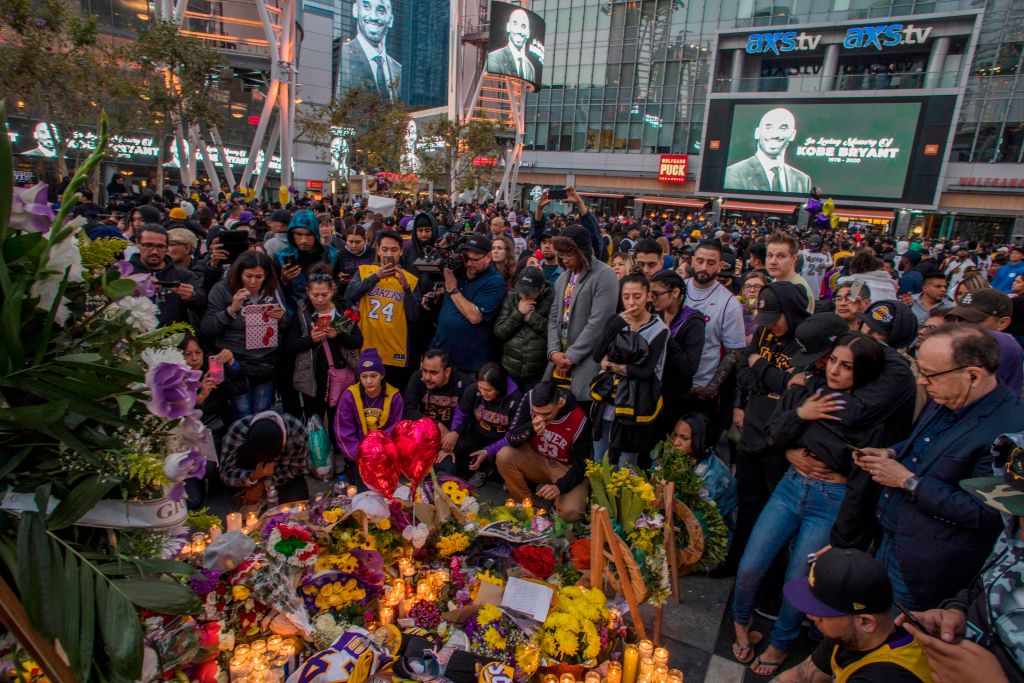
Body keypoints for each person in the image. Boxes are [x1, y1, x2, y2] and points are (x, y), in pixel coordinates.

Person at [733, 329, 887, 675]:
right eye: (833, 361)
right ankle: (741, 623)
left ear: (862, 372)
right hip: (791, 488)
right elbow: (773, 433)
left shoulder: (869, 415)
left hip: (830, 499)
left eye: (846, 367)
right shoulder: (813, 390)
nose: (834, 371)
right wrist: (802, 415)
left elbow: (861, 478)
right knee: (751, 565)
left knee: (798, 580)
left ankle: (780, 643)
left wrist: (843, 537)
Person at [856, 324, 1022, 610]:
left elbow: (989, 516)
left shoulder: (1009, 431)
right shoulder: (947, 395)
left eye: (929, 374)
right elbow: (924, 443)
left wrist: (908, 481)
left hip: (926, 563)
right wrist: (891, 452)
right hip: (891, 536)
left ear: (973, 375)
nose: (921, 381)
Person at [903, 432, 1024, 683]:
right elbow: (984, 585)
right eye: (1017, 511)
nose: (1020, 530)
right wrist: (958, 613)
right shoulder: (1015, 532)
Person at [731, 282, 812, 576]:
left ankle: (770, 578)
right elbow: (743, 371)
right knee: (747, 503)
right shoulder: (764, 331)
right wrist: (773, 377)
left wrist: (760, 367)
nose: (770, 326)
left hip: (781, 441)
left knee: (777, 515)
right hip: (752, 432)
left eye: (776, 318)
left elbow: (796, 389)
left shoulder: (806, 341)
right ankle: (736, 560)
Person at [778, 548, 935, 683]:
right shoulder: (850, 635)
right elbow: (803, 674)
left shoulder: (886, 676)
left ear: (865, 622)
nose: (811, 616)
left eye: (823, 613)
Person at [590, 274, 669, 465]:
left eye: (637, 296)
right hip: (608, 399)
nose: (631, 302)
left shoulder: (659, 330)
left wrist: (611, 366)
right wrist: (614, 327)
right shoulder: (617, 320)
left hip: (635, 403)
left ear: (648, 296)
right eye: (626, 297)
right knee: (600, 457)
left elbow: (645, 372)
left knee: (626, 462)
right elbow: (596, 355)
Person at [200, 252, 288, 419]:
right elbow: (207, 327)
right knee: (241, 409)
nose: (253, 281)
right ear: (239, 273)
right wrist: (231, 310)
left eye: (259, 277)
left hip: (265, 361)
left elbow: (286, 324)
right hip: (235, 360)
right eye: (248, 276)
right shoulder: (222, 289)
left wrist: (281, 318)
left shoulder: (273, 290)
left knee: (263, 409)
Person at [495, 381, 591, 521]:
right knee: (504, 455)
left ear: (560, 403)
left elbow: (583, 464)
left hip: (565, 467)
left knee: (572, 511)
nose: (541, 417)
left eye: (546, 413)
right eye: (536, 413)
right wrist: (530, 429)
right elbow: (511, 437)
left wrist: (560, 487)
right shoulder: (529, 398)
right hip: (536, 457)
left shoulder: (579, 418)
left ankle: (556, 507)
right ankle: (524, 504)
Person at [546, 225, 619, 405]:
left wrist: (570, 357)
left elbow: (598, 323)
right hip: (559, 361)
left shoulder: (605, 275)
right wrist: (554, 351)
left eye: (569, 254)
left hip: (586, 364)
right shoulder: (563, 278)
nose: (565, 259)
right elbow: (554, 316)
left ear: (583, 251)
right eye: (561, 254)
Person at [287, 271, 364, 435]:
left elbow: (358, 341)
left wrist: (338, 336)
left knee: (340, 421)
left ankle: (340, 451)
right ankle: (319, 456)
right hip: (312, 379)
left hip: (340, 377)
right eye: (315, 295)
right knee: (314, 423)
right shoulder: (303, 313)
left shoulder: (345, 312)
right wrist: (310, 339)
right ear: (308, 292)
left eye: (324, 294)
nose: (320, 299)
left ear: (332, 290)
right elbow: (290, 345)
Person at [345, 229, 422, 391]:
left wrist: (406, 289)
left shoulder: (410, 279)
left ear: (401, 251)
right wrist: (376, 277)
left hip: (395, 351)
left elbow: (414, 316)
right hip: (366, 348)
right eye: (385, 249)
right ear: (378, 250)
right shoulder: (364, 271)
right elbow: (348, 296)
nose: (389, 254)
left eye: (394, 250)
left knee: (391, 400)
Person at [684, 240, 747, 437]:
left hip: (699, 389)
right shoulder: (678, 289)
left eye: (711, 263)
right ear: (692, 261)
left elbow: (734, 352)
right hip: (668, 384)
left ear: (720, 266)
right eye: (700, 261)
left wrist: (710, 389)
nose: (704, 267)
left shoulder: (728, 303)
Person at [428, 232, 507, 373]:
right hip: (440, 354)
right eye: (466, 258)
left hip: (468, 363)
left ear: (489, 257)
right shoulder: (458, 271)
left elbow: (475, 317)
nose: (469, 263)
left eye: (474, 260)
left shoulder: (495, 281)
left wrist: (452, 289)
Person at [441, 362, 523, 484]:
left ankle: (494, 471)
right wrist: (454, 432)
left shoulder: (516, 399)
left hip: (503, 440)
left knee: (501, 466)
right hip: (479, 432)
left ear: (500, 387)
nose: (483, 393)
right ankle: (478, 470)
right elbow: (461, 414)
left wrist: (489, 451)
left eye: (488, 390)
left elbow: (513, 435)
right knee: (460, 444)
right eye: (481, 388)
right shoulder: (474, 390)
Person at [658, 413, 737, 531]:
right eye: (674, 436)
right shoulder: (670, 457)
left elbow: (701, 521)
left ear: (699, 440)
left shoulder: (713, 475)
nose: (676, 443)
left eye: (684, 438)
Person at [651, 270, 706, 436]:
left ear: (675, 293)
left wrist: (664, 335)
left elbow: (689, 366)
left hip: (674, 399)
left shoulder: (693, 322)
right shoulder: (654, 314)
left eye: (656, 294)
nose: (652, 299)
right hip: (651, 394)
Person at [220, 411, 310, 505]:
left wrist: (262, 484)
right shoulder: (238, 430)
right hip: (248, 472)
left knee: (297, 507)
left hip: (281, 475)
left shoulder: (297, 432)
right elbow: (225, 473)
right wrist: (253, 476)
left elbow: (297, 468)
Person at [125, 224, 207, 327]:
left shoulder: (183, 274)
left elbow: (202, 303)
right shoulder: (123, 271)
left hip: (173, 337)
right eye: (148, 245)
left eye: (160, 246)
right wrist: (128, 287)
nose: (155, 251)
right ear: (137, 244)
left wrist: (192, 296)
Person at [946, 288, 1023, 395]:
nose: (962, 326)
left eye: (974, 320)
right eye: (959, 319)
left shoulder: (1004, 347)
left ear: (1002, 323)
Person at [334, 348, 404, 462]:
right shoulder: (349, 396)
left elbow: (396, 428)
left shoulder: (394, 397)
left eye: (373, 376)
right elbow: (344, 431)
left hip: (385, 453)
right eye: (364, 376)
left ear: (381, 375)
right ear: (359, 377)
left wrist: (380, 452)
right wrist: (360, 456)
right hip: (358, 455)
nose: (369, 381)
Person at [493, 266, 554, 391]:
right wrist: (518, 314)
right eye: (522, 290)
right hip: (509, 369)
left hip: (537, 373)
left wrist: (532, 317)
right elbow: (499, 332)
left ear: (541, 288)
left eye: (529, 291)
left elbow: (555, 334)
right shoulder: (511, 297)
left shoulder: (552, 299)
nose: (524, 295)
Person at [723, 108, 812, 193]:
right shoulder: (734, 174)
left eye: (783, 128)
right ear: (757, 133)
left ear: (792, 134)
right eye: (768, 127)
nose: (774, 134)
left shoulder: (803, 180)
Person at [339, 0, 402, 99]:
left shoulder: (398, 70)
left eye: (381, 11)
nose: (373, 17)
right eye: (367, 7)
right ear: (355, 10)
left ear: (390, 20)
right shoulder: (342, 56)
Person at [276, 209, 340, 306]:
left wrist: (335, 286)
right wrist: (283, 281)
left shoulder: (331, 254)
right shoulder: (282, 257)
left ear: (315, 234)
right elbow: (273, 293)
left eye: (309, 234)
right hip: (294, 313)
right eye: (298, 234)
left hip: (324, 310)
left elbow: (338, 281)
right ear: (291, 234)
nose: (303, 240)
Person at [404, 349, 472, 434]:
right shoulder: (417, 378)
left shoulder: (464, 383)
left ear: (447, 372)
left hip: (453, 434)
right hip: (424, 431)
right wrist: (436, 424)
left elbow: (469, 417)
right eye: (424, 371)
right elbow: (408, 410)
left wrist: (456, 433)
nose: (427, 377)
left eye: (433, 372)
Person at [767, 231, 815, 312]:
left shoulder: (798, 290)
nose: (773, 261)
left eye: (781, 256)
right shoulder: (778, 280)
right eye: (770, 255)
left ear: (794, 259)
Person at [485, 7, 536, 82]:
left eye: (523, 26)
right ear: (508, 27)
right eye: (515, 24)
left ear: (528, 33)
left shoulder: (531, 68)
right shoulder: (494, 58)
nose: (519, 31)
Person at [799, 233, 833, 300]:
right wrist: (828, 254)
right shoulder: (825, 257)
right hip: (817, 287)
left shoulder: (804, 253)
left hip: (804, 283)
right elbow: (831, 263)